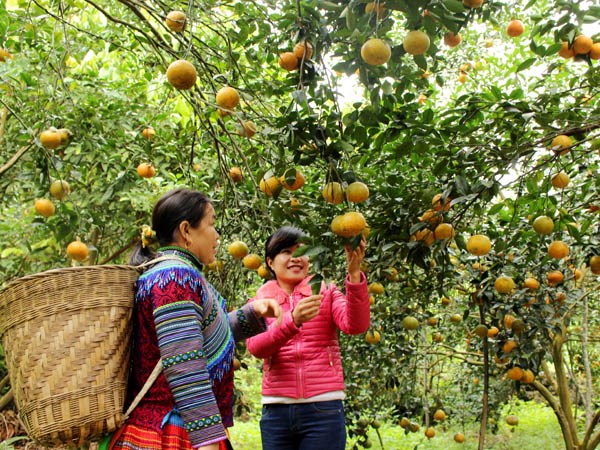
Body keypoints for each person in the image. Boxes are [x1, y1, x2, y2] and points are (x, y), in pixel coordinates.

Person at [110, 188, 282, 450]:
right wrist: (208, 440)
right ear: (186, 231)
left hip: (165, 426)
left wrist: (251, 314)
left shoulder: (169, 273)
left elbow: (194, 336)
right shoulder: (176, 277)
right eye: (211, 224)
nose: (217, 235)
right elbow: (184, 363)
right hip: (170, 431)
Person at [245, 226, 370, 450]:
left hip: (324, 408)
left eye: (301, 251)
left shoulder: (326, 292)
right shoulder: (260, 302)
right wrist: (293, 320)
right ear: (270, 262)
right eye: (286, 251)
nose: (295, 258)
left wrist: (353, 274)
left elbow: (356, 325)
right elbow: (256, 347)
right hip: (276, 411)